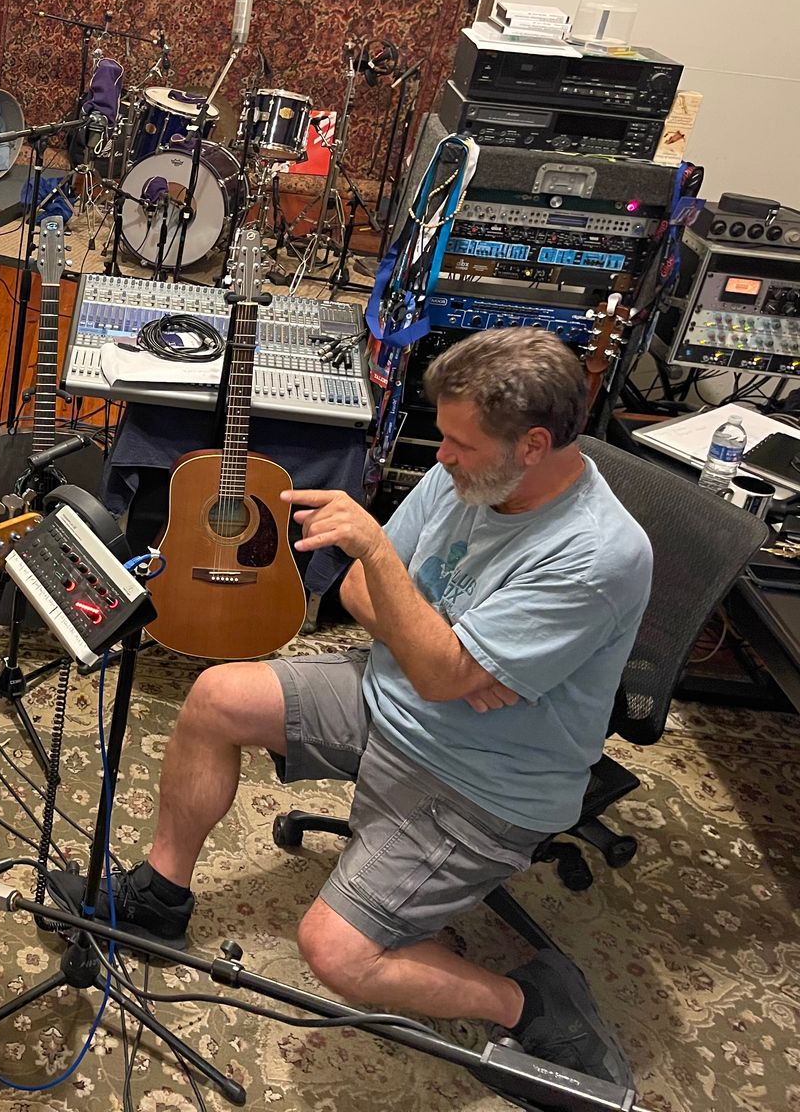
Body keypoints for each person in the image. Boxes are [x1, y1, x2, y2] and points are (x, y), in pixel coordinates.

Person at [56, 328, 650, 1091]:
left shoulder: (596, 555)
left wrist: (435, 650)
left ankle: (529, 1000)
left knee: (337, 954)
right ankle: (159, 897)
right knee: (216, 696)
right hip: (390, 695)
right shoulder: (472, 473)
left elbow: (412, 625)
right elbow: (358, 591)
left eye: (461, 444)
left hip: (483, 779)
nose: (442, 456)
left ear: (534, 445)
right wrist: (442, 653)